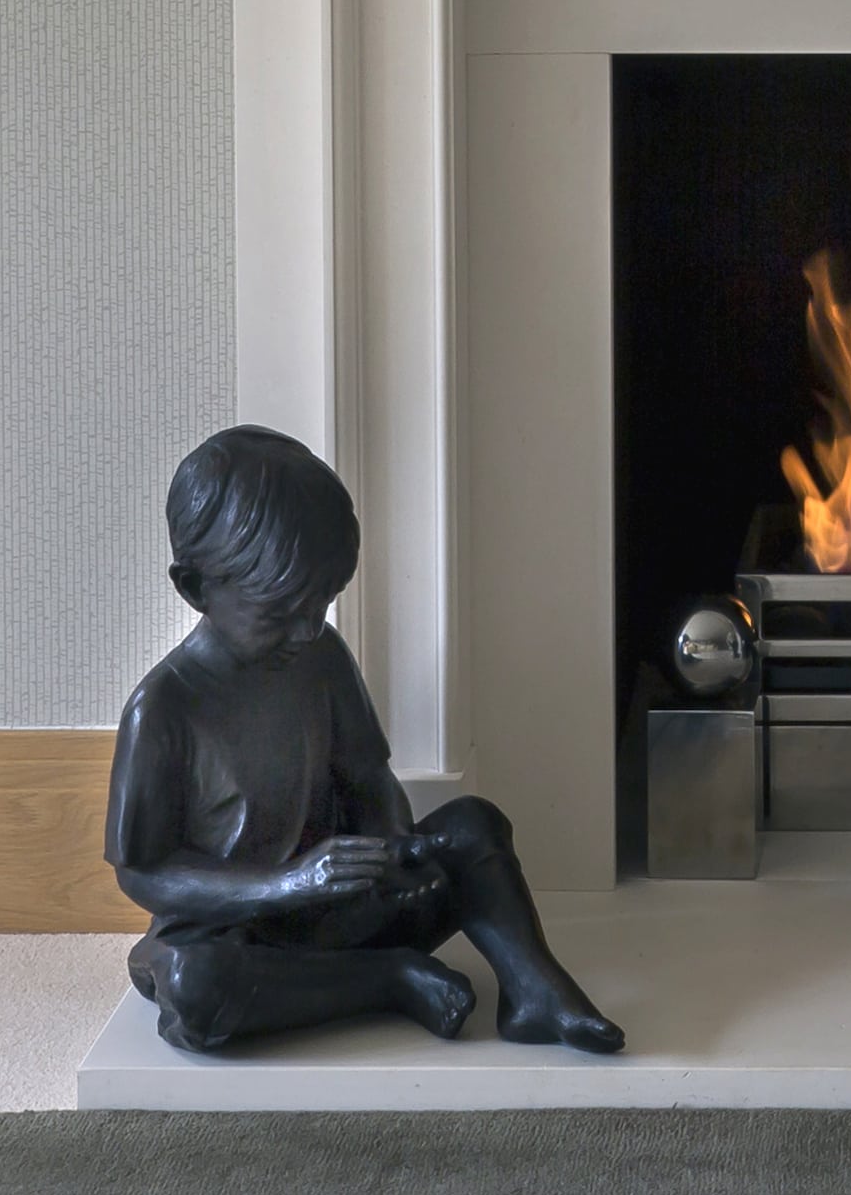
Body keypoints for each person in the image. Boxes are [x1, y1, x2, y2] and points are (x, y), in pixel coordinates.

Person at [105, 425, 623, 1056]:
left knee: (473, 826)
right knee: (195, 987)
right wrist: (286, 884)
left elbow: (367, 776)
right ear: (195, 590)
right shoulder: (163, 707)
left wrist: (393, 843)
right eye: (279, 612)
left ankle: (535, 990)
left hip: (340, 908)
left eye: (321, 603)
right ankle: (386, 980)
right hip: (235, 933)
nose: (307, 628)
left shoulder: (321, 657)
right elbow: (144, 872)